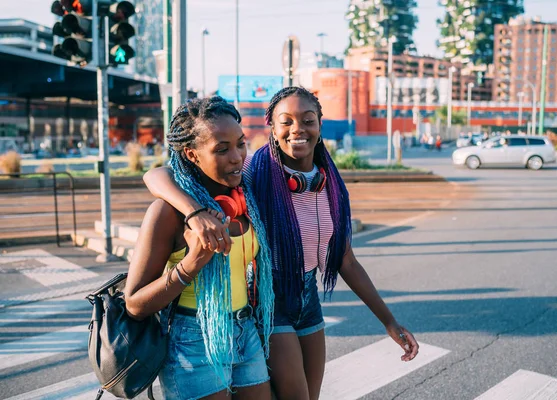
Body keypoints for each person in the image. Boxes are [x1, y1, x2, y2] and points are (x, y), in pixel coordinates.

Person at [144, 87, 419, 400]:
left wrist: (389, 322)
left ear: (320, 124)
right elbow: (159, 174)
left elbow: (347, 261)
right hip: (269, 300)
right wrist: (193, 211)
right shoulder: (254, 174)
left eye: (307, 120)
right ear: (271, 128)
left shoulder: (330, 184)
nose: (297, 129)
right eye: (285, 121)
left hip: (308, 297)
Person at [125, 97, 275, 400]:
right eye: (221, 149)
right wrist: (191, 262)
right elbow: (135, 304)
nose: (237, 157)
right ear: (192, 155)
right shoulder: (168, 213)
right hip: (193, 340)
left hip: (245, 331)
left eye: (240, 144)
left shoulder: (246, 198)